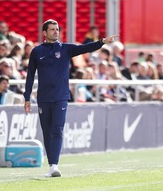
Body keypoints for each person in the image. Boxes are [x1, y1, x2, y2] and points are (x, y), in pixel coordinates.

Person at [23, 19, 118, 177]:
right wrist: (27, 97)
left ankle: (54, 166)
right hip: (43, 98)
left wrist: (102, 42)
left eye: (57, 29)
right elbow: (30, 76)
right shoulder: (37, 51)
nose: (56, 31)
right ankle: (51, 164)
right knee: (47, 131)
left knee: (57, 129)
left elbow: (85, 48)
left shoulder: (66, 49)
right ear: (44, 33)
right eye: (52, 29)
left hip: (61, 97)